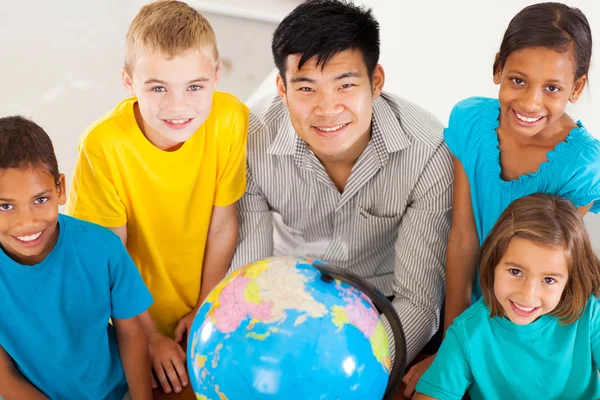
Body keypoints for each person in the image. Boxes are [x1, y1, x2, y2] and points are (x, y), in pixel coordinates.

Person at [230, 0, 453, 367]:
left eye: (345, 85)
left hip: (384, 310)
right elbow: (247, 276)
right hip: (289, 306)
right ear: (281, 89)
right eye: (306, 89)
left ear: (376, 81)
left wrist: (359, 372)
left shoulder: (429, 149)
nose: (327, 108)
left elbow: (419, 302)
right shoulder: (251, 139)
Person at [404, 3, 600, 394]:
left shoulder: (581, 163)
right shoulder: (472, 122)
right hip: (463, 316)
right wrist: (449, 347)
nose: (529, 103)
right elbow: (463, 238)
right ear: (498, 69)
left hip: (528, 313)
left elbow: (545, 262)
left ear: (576, 88)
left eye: (553, 89)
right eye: (517, 80)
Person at [67, 0, 248, 394]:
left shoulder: (230, 118)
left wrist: (204, 309)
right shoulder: (104, 145)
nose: (178, 106)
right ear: (129, 82)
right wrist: (148, 335)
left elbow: (223, 225)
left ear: (217, 76)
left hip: (207, 305)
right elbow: (108, 257)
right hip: (132, 317)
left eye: (195, 87)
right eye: (158, 88)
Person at [0, 116, 153, 400]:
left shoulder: (102, 248)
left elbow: (131, 332)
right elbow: (4, 378)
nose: (27, 222)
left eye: (40, 200)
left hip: (114, 392)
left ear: (59, 189)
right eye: (6, 206)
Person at [413, 193, 600, 399]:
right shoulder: (467, 333)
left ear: (569, 281)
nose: (528, 295)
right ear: (493, 264)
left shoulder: (589, 316)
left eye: (548, 280)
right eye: (515, 272)